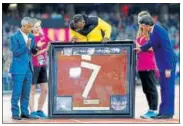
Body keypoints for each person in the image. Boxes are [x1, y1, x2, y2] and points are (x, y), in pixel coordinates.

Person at [134, 12, 177, 119]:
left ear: (146, 25)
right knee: (163, 88)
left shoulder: (160, 31)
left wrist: (168, 68)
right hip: (162, 63)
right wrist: (141, 49)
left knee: (168, 88)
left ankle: (168, 113)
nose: (142, 28)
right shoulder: (153, 31)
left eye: (142, 26)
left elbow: (167, 50)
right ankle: (162, 112)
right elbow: (150, 43)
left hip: (168, 63)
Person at [9, 17, 44, 120]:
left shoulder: (31, 36)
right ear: (23, 26)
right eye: (29, 27)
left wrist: (36, 48)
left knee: (26, 92)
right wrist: (26, 46)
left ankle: (25, 112)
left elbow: (32, 52)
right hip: (18, 68)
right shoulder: (14, 37)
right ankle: (15, 113)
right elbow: (16, 53)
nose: (31, 29)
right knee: (17, 92)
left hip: (29, 68)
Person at [136, 24, 158, 119]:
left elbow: (154, 48)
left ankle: (154, 110)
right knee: (146, 89)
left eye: (144, 26)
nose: (142, 28)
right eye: (141, 26)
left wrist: (140, 47)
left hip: (149, 65)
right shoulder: (139, 37)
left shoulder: (151, 36)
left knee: (151, 88)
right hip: (140, 66)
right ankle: (150, 109)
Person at [29, 19, 50, 118]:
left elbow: (52, 44)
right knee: (32, 90)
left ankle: (39, 110)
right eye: (36, 26)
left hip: (43, 65)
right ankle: (32, 111)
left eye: (39, 26)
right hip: (34, 66)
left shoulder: (44, 37)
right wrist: (45, 49)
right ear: (32, 28)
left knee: (45, 90)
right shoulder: (30, 38)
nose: (38, 28)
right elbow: (34, 54)